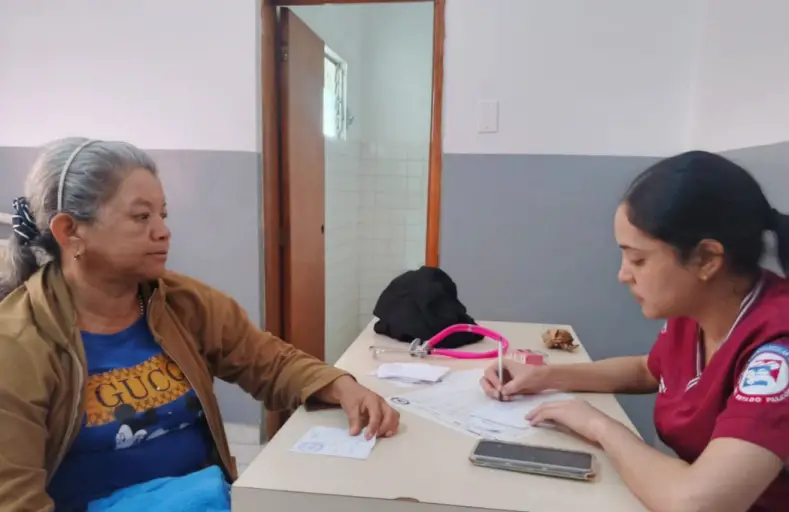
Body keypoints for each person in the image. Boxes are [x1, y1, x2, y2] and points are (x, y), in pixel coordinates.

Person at [0, 138, 400, 511]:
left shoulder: (178, 301)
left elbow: (266, 361)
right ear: (70, 231)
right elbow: (14, 498)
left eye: (162, 214)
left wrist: (339, 384)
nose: (163, 230)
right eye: (141, 216)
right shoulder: (17, 343)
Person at [481, 151, 789, 512]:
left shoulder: (776, 348)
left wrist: (599, 426)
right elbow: (650, 368)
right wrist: (547, 376)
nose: (623, 274)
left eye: (638, 259)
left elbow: (697, 504)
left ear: (707, 259)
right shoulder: (699, 307)